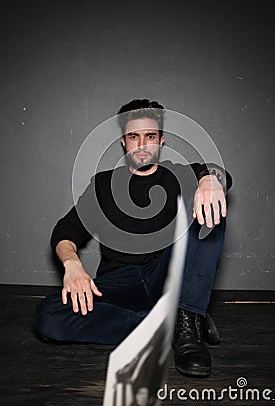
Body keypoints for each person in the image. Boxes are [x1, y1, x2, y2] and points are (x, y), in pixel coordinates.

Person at [34, 99, 232, 378]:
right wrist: (72, 265)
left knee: (211, 207)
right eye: (133, 136)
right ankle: (169, 325)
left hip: (166, 275)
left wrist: (211, 180)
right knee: (48, 316)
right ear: (124, 143)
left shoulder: (176, 175)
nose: (141, 144)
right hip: (119, 284)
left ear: (161, 140)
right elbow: (66, 231)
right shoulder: (103, 184)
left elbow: (215, 170)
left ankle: (188, 326)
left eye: (149, 136)